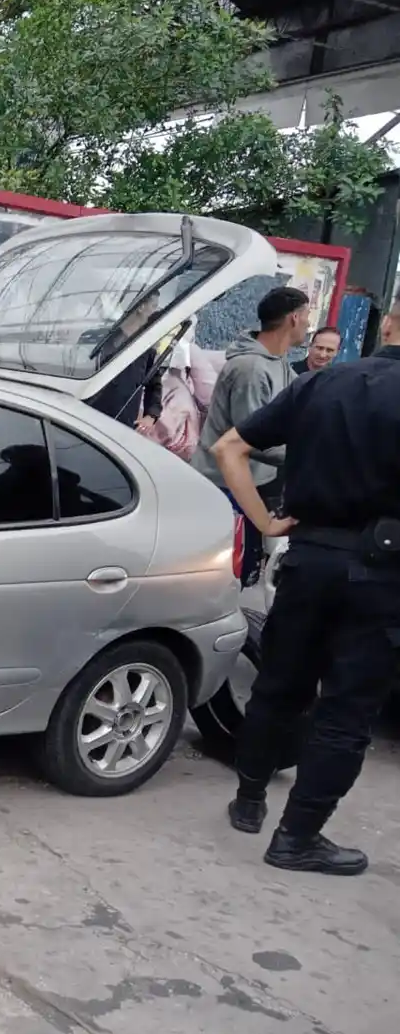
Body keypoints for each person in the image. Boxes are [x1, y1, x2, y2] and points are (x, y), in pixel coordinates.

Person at [215, 298, 400, 875]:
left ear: (388, 323)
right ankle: (297, 837)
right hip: (383, 577)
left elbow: (229, 448)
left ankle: (248, 802)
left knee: (278, 687)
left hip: (308, 558)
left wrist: (266, 522)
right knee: (345, 713)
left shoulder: (326, 381)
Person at [190, 287, 310, 587]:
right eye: (307, 316)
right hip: (226, 484)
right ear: (294, 318)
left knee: (246, 570)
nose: (310, 323)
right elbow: (251, 436)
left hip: (255, 483)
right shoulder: (249, 368)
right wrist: (305, 452)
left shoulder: (277, 362)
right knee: (225, 575)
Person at [86, 292, 164, 434]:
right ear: (141, 307)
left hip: (122, 423)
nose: (155, 311)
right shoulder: (103, 338)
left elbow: (154, 384)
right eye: (153, 306)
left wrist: (151, 415)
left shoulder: (147, 348)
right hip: (87, 418)